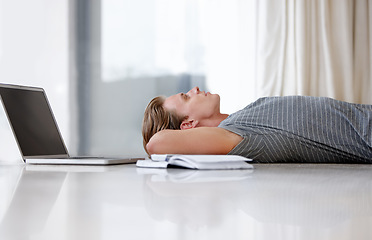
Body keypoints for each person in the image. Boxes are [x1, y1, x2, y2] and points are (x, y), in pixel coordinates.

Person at [142, 87, 372, 163]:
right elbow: (156, 144)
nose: (195, 90)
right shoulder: (232, 135)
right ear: (188, 125)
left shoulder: (240, 118)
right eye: (186, 97)